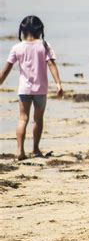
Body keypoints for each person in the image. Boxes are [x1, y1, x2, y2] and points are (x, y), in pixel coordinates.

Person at [0, 16, 64, 161]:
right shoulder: (44, 45)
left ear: (22, 30)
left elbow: (5, 70)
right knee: (38, 119)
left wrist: (1, 82)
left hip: (24, 90)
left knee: (23, 119)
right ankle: (35, 149)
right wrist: (58, 84)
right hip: (41, 90)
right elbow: (52, 65)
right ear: (40, 30)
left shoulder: (17, 47)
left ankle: (19, 151)